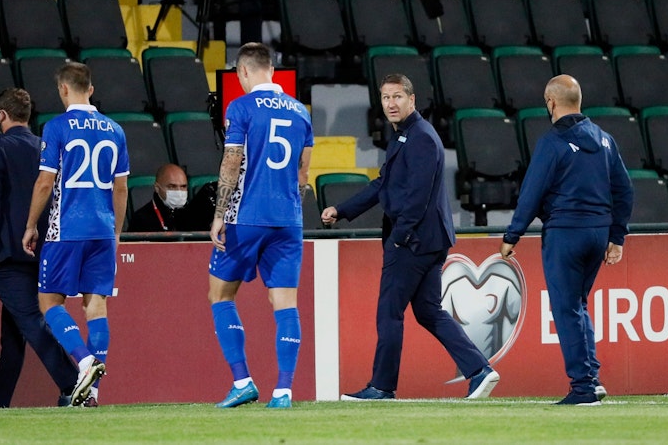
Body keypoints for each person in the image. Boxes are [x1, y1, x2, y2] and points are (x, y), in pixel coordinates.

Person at [321, 73, 500, 401]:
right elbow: (383, 184)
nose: (390, 103)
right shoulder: (407, 135)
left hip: (414, 241)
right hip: (428, 239)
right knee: (428, 311)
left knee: (389, 311)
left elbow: (417, 198)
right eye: (386, 97)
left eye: (397, 97)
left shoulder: (419, 137)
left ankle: (381, 386)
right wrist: (342, 209)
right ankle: (479, 370)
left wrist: (399, 239)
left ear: (412, 100)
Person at [498, 75, 633, 406]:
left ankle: (584, 386)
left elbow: (532, 193)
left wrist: (511, 235)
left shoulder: (552, 143)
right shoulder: (604, 140)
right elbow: (625, 190)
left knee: (566, 309)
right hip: (598, 234)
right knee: (579, 306)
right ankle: (592, 379)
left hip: (565, 234)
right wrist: (616, 235)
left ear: (551, 102)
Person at [207, 42, 313, 409]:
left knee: (220, 295)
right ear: (272, 69)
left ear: (244, 72)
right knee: (285, 304)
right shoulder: (301, 112)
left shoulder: (241, 107)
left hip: (245, 216)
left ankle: (243, 381)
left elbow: (231, 163)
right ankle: (283, 391)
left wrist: (220, 214)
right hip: (288, 220)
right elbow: (303, 172)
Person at [22, 62, 130, 408]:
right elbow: (122, 188)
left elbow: (44, 182)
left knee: (49, 302)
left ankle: (84, 362)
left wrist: (29, 225)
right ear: (91, 89)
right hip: (102, 229)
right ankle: (92, 395)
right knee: (96, 303)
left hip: (66, 228)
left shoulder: (55, 128)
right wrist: (116, 232)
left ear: (63, 90)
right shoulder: (115, 130)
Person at [0, 88, 79, 408]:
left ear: (1, 115)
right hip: (45, 251)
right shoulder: (45, 148)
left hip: (9, 257)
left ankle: (74, 386)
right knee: (15, 334)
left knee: (33, 323)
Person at [128, 163, 200, 232]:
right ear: (157, 188)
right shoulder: (141, 219)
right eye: (172, 186)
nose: (179, 191)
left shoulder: (194, 216)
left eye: (183, 186)